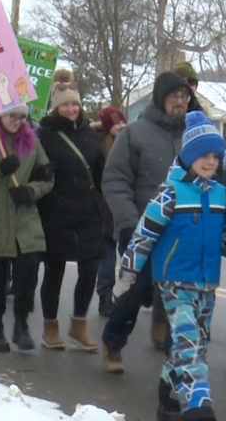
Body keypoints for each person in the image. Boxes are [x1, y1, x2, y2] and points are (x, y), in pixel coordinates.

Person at [114, 111, 226, 421]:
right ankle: (197, 405)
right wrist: (124, 281)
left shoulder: (220, 194)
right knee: (189, 344)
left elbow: (223, 236)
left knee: (193, 344)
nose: (210, 162)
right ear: (188, 155)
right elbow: (142, 237)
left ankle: (168, 391)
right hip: (175, 283)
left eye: (215, 156)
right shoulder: (170, 193)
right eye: (203, 155)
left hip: (207, 284)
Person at [101, 71, 197, 373]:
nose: (180, 102)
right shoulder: (135, 133)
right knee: (134, 293)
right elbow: (115, 180)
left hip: (182, 232)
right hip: (142, 229)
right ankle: (113, 343)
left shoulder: (195, 134)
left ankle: (175, 363)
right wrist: (129, 223)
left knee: (181, 297)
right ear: (160, 98)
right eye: (174, 96)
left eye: (184, 96)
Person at [0, 106, 54, 352]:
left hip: (24, 221)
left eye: (22, 117)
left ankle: (21, 323)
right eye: (12, 116)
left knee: (28, 272)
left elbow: (47, 178)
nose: (17, 121)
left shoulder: (32, 144)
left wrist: (29, 191)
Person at [35, 69, 108, 352]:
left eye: (74, 104)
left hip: (88, 212)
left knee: (91, 267)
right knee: (54, 271)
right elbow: (34, 169)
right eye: (65, 104)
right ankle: (49, 326)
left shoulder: (90, 135)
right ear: (56, 107)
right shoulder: (45, 136)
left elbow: (101, 169)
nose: (71, 108)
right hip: (56, 211)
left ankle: (79, 324)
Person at [94, 106, 127, 317]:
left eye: (122, 122)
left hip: (124, 207)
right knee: (107, 257)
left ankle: (128, 292)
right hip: (104, 208)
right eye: (116, 123)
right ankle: (105, 295)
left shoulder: (130, 144)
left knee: (130, 254)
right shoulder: (99, 148)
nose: (121, 126)